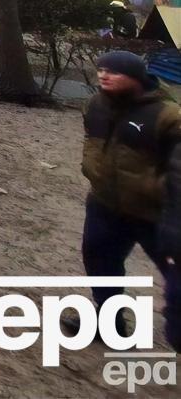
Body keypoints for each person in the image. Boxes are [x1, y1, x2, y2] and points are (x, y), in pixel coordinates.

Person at [71, 50, 181, 348]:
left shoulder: (168, 116)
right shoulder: (95, 105)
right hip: (105, 203)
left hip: (153, 213)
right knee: (100, 262)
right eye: (101, 70)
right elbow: (93, 144)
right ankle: (110, 325)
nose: (104, 75)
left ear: (135, 78)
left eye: (114, 71)